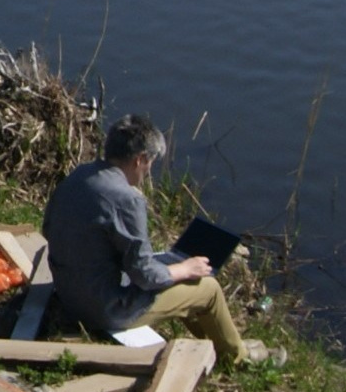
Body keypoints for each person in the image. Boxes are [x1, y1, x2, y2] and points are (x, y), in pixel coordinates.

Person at [41, 113, 281, 366]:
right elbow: (145, 276)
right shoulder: (127, 199)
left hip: (69, 293)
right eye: (151, 162)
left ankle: (222, 342)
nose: (149, 170)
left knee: (180, 278)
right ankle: (238, 358)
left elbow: (49, 228)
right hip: (104, 309)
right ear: (140, 159)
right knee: (207, 288)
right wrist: (183, 268)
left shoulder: (80, 175)